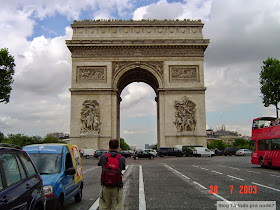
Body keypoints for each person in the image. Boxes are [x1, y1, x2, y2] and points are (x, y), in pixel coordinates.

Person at [98, 139, 126, 210]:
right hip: (117, 187)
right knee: (117, 207)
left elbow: (100, 164)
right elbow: (122, 168)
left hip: (105, 186)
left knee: (104, 207)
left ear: (109, 146)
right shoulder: (121, 158)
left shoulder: (103, 157)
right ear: (118, 146)